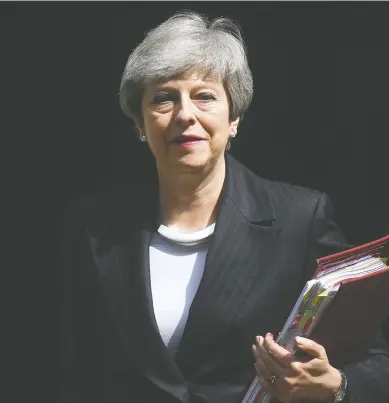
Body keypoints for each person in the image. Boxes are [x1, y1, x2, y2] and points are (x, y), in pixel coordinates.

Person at [59, 11, 389, 403]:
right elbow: (72, 371)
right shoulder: (92, 226)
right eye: (164, 98)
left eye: (204, 96)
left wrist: (336, 387)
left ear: (233, 117)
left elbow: (376, 362)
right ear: (139, 124)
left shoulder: (300, 219)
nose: (185, 114)